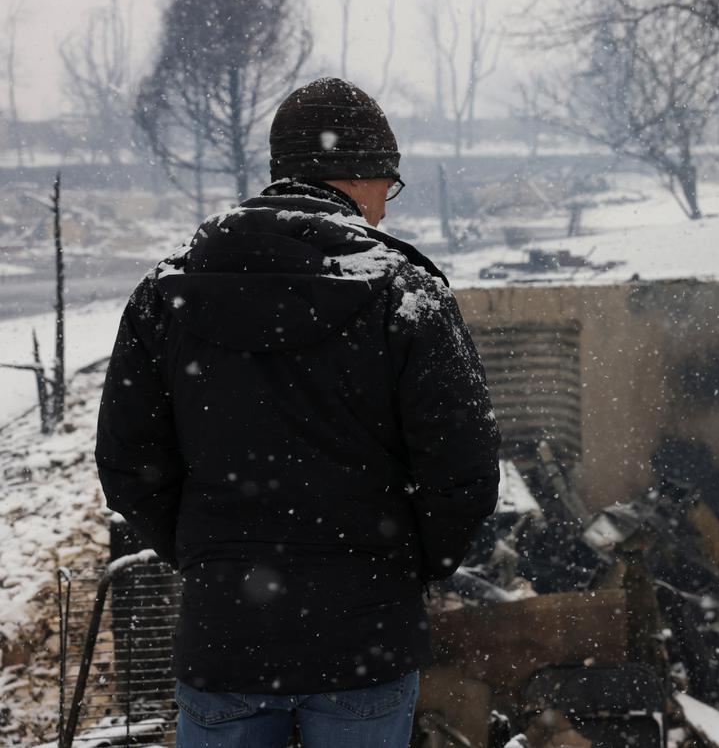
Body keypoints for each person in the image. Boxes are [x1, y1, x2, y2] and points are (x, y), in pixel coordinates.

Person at [94, 77, 501, 746]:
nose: (384, 213)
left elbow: (128, 467)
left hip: (225, 640)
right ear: (363, 177)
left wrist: (212, 558)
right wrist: (402, 568)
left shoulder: (163, 297)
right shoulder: (408, 297)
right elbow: (463, 474)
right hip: (364, 645)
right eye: (386, 189)